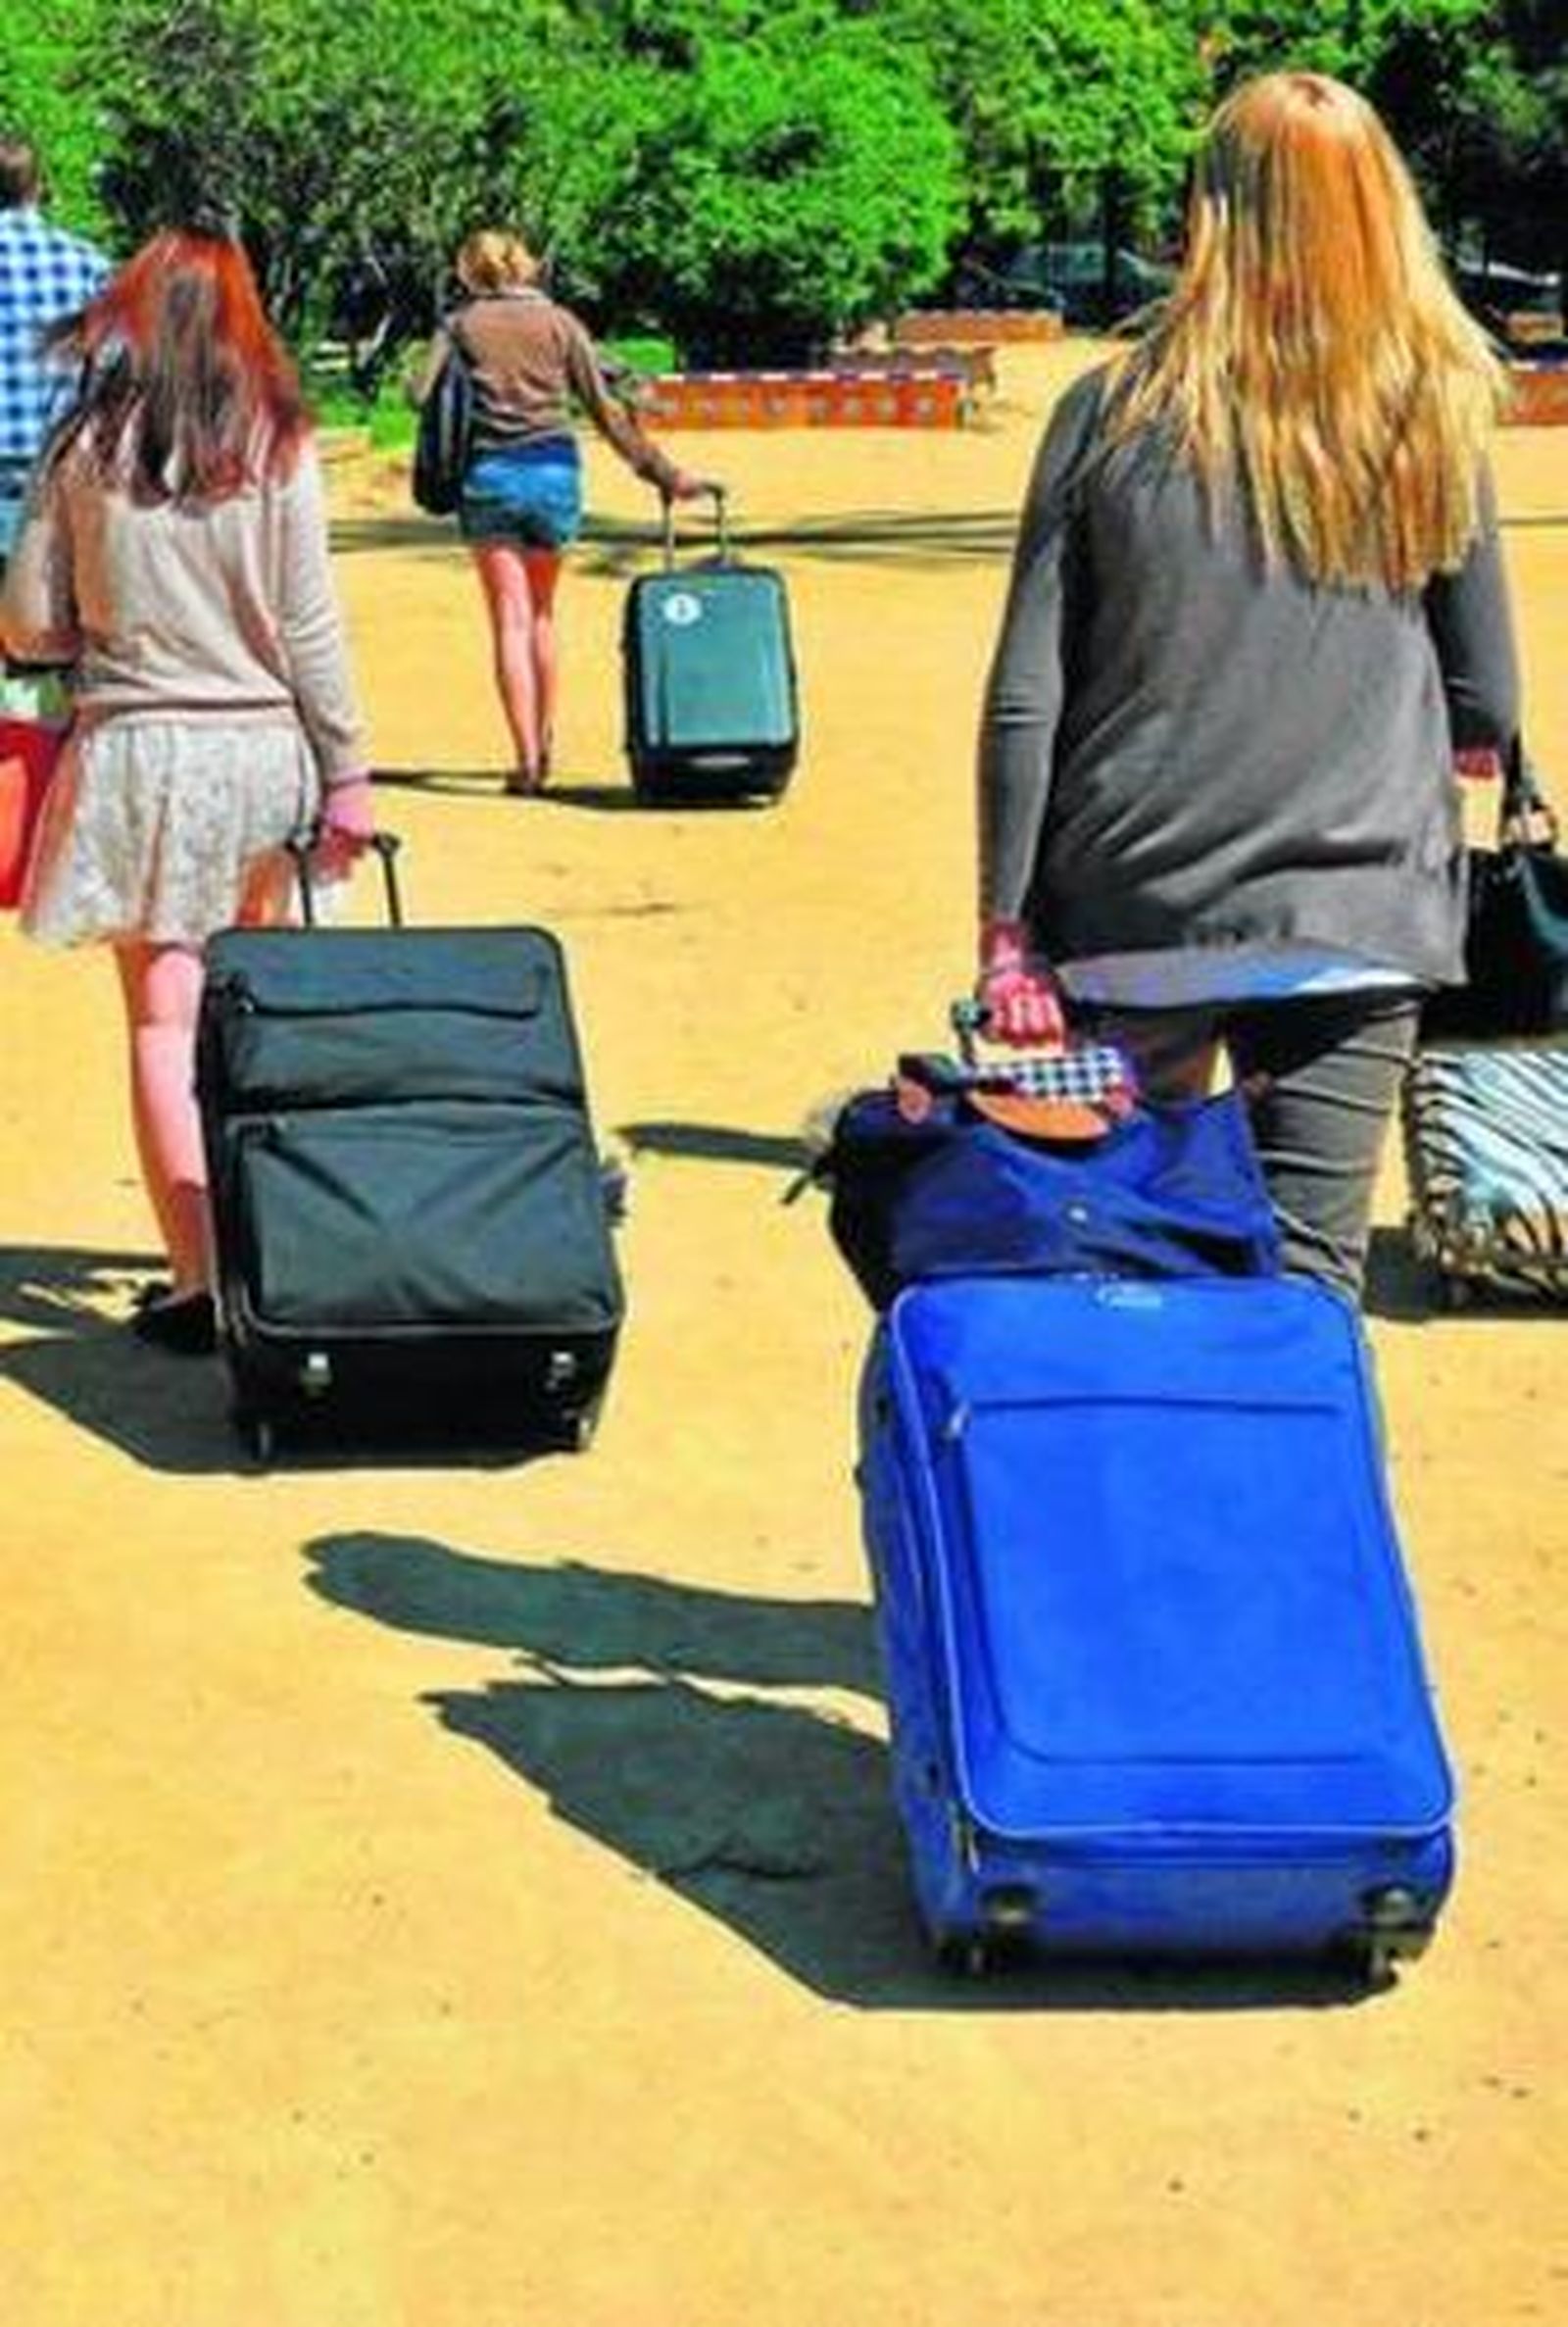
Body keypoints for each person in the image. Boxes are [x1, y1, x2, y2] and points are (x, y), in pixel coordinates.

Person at [975, 71, 1521, 1299]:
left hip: (1132, 911)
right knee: (1309, 1288)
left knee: (1123, 1260)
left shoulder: (1108, 411)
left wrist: (1006, 927)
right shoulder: (1432, 411)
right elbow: (1487, 695)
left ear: (1209, 210)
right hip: (1354, 914)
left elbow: (1025, 694)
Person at [0, 214, 376, 1353]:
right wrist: (348, 773)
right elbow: (311, 628)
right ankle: (282, 1251)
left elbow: (25, 624)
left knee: (164, 1021)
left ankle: (196, 1277)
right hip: (263, 752)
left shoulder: (84, 447)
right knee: (263, 1006)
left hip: (134, 751)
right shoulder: (278, 444)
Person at [414, 228, 710, 794]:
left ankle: (525, 762)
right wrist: (664, 474)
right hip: (554, 476)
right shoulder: (561, 323)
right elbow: (606, 412)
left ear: (468, 273)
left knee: (509, 620)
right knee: (543, 617)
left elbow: (418, 393)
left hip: (490, 478)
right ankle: (546, 748)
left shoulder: (458, 325)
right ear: (524, 266)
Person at [0, 134, 108, 709]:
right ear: (39, 187)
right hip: (59, 485)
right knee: (47, 653)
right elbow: (113, 380)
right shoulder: (88, 265)